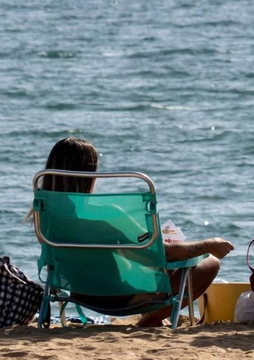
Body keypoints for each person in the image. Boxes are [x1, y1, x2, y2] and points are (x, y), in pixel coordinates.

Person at [40, 137, 232, 327]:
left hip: (79, 293)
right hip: (117, 298)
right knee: (210, 263)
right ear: (89, 175)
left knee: (134, 260)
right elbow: (158, 256)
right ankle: (151, 319)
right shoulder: (108, 218)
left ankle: (154, 317)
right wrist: (209, 244)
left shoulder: (46, 221)